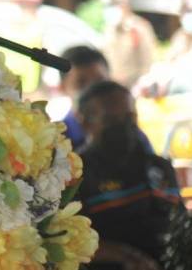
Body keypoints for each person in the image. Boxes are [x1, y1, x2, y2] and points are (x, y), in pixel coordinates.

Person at [76, 81, 182, 270]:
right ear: (85, 122)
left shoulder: (159, 166)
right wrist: (125, 256)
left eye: (129, 117)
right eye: (110, 120)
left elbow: (180, 223)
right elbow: (68, 243)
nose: (123, 126)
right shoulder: (75, 175)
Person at [96, 0, 157, 88]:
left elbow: (147, 62)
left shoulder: (139, 28)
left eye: (113, 4)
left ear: (125, 5)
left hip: (134, 86)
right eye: (107, 5)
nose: (109, 9)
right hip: (112, 86)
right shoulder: (108, 29)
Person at [59, 46, 111, 150]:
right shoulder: (56, 141)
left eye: (99, 81)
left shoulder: (128, 132)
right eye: (81, 83)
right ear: (63, 88)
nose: (92, 90)